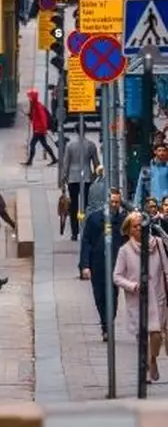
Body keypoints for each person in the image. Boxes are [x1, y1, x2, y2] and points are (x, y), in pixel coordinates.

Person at [113, 212, 168, 381]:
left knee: (157, 334)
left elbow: (166, 269)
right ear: (129, 230)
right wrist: (133, 286)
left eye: (141, 226)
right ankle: (144, 367)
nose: (139, 229)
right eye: (135, 227)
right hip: (138, 299)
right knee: (142, 336)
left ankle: (152, 359)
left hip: (158, 296)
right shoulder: (125, 251)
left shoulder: (157, 244)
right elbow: (117, 276)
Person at [80, 188, 127, 341]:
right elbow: (86, 242)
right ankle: (104, 323)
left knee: (112, 295)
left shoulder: (122, 221)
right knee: (99, 295)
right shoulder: (94, 219)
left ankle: (109, 323)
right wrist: (85, 265)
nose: (114, 205)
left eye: (117, 202)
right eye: (112, 202)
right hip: (98, 263)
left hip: (115, 264)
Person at [59, 132, 100, 241]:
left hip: (73, 179)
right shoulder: (91, 145)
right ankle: (87, 229)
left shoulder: (70, 145)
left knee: (73, 206)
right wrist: (94, 176)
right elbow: (96, 163)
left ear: (75, 131)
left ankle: (74, 232)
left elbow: (66, 164)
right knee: (87, 206)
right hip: (86, 177)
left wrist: (63, 179)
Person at [21, 89, 57, 166]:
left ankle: (30, 161)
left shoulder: (38, 106)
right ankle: (54, 159)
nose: (29, 99)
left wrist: (42, 129)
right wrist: (29, 115)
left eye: (30, 97)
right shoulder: (34, 106)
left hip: (39, 130)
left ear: (33, 98)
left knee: (32, 144)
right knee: (44, 144)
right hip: (38, 129)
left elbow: (43, 118)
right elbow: (34, 118)